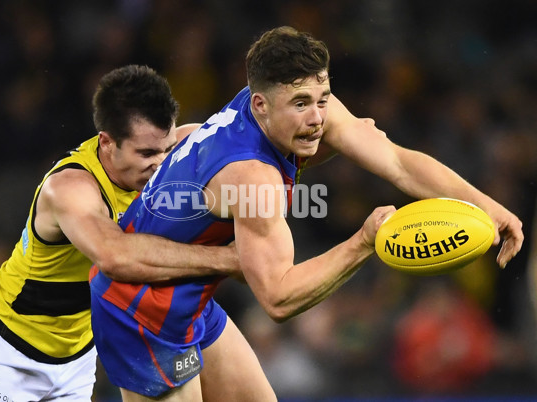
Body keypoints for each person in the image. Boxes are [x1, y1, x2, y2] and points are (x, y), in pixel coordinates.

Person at [89, 27, 524, 401]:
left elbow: (397, 162)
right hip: (141, 310)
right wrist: (363, 242)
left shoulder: (293, 108)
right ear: (259, 105)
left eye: (323, 98)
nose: (317, 118)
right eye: (301, 103)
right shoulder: (250, 177)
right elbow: (278, 297)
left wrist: (486, 206)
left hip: (189, 296)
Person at [0, 65, 241, 402]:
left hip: (77, 361)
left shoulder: (171, 153)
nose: (161, 164)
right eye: (146, 153)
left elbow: (250, 135)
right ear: (107, 142)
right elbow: (114, 256)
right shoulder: (71, 188)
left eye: (167, 149)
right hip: (4, 348)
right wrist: (228, 258)